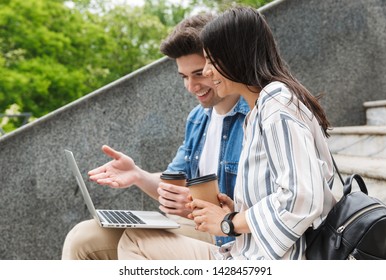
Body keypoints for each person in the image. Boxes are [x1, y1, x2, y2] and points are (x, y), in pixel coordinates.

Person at [115, 6, 336, 260]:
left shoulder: (277, 105)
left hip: (271, 260)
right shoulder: (260, 111)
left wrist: (229, 222)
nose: (207, 72)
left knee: (136, 241)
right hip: (248, 251)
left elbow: (302, 200)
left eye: (209, 62)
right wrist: (233, 211)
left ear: (235, 56)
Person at [61, 12, 249, 260]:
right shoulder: (198, 118)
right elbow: (173, 184)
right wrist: (137, 175)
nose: (191, 87)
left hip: (233, 236)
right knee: (83, 238)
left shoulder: (256, 116)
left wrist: (195, 205)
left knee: (137, 241)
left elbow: (270, 205)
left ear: (221, 63)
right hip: (199, 227)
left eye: (199, 74)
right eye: (184, 77)